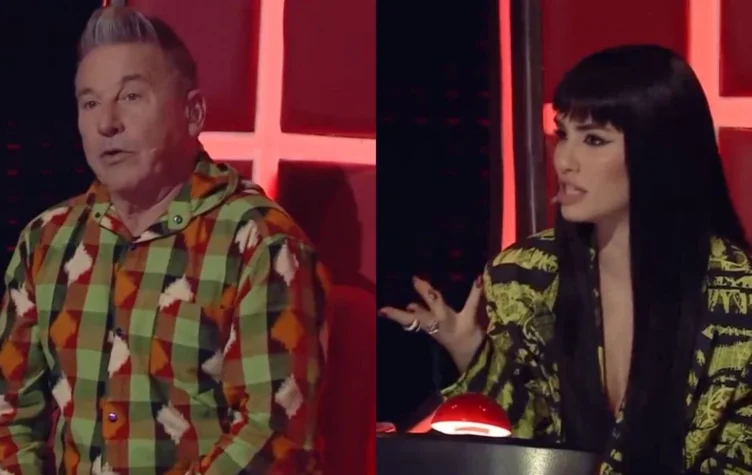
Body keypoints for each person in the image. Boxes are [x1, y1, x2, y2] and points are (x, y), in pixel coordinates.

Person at [381, 44, 752, 474]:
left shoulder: (739, 297)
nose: (564, 161)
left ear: (660, 151)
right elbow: (525, 446)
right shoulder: (524, 276)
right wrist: (471, 352)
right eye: (563, 135)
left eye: (593, 140)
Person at [0, 6, 328, 474]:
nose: (107, 123)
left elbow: (273, 442)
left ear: (193, 113)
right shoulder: (47, 241)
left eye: (131, 96)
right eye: (90, 103)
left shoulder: (262, 243)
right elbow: (10, 416)